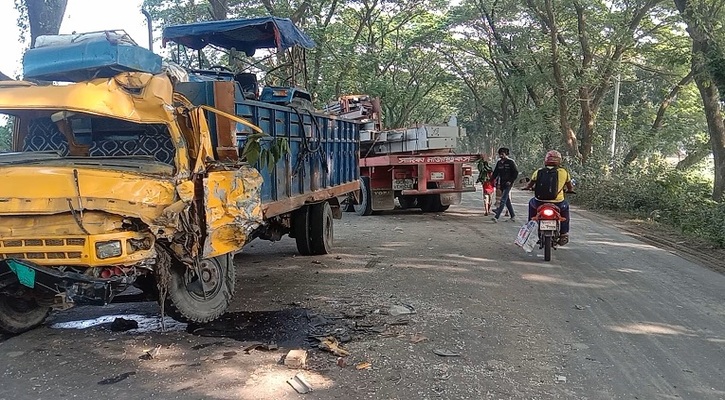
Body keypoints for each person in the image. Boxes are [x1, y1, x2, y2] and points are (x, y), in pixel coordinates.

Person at [523, 150, 574, 245]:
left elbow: (530, 184)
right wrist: (570, 190)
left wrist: (527, 188)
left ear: (546, 160)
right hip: (558, 202)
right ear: (559, 161)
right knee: (565, 207)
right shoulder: (564, 172)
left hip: (540, 202)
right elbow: (569, 186)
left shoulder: (538, 172)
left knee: (531, 203)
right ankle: (564, 234)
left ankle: (531, 226)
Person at [490, 147, 518, 222]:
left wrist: (510, 181)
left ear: (506, 154)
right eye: (500, 154)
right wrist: (491, 180)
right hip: (501, 183)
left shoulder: (511, 162)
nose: (501, 156)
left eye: (502, 154)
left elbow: (515, 173)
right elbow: (495, 173)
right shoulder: (499, 163)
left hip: (508, 183)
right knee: (507, 200)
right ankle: (513, 216)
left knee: (503, 200)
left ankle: (496, 217)